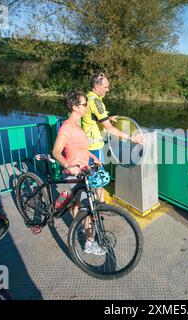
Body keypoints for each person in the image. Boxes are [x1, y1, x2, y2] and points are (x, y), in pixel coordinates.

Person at [52, 91, 106, 255]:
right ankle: (89, 244)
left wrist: (92, 157)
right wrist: (69, 165)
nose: (87, 106)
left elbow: (82, 148)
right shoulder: (67, 127)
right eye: (84, 104)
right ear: (75, 107)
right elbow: (56, 152)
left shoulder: (79, 126)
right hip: (73, 172)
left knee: (78, 204)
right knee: (88, 207)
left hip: (84, 170)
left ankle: (78, 225)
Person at [82, 73, 143, 203]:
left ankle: (96, 204)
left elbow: (90, 118)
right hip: (94, 148)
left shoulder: (87, 97)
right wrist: (131, 138)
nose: (107, 90)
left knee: (93, 177)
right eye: (105, 87)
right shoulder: (96, 102)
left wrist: (107, 118)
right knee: (99, 178)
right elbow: (109, 128)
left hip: (85, 145)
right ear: (96, 86)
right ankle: (97, 206)